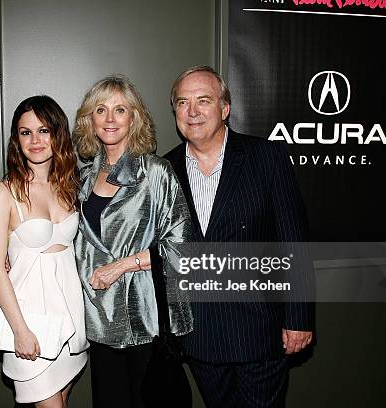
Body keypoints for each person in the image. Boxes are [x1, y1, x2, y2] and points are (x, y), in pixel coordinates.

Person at [164, 65, 315, 407]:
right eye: (183, 102)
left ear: (225, 108)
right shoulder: (165, 169)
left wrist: (299, 318)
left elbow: (295, 243)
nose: (192, 111)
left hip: (260, 330)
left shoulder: (266, 157)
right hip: (198, 335)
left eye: (203, 100)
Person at [73, 75, 193, 408]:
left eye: (120, 110)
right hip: (97, 317)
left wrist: (123, 265)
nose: (110, 119)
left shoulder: (157, 173)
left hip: (145, 317)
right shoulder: (80, 179)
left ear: (134, 118)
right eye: (101, 109)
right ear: (90, 120)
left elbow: (182, 248)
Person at [0, 95, 88, 407]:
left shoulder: (71, 186)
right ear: (16, 139)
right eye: (25, 132)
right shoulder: (4, 192)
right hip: (29, 322)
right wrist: (20, 330)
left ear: (58, 134)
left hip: (71, 318)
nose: (35, 140)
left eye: (44, 131)